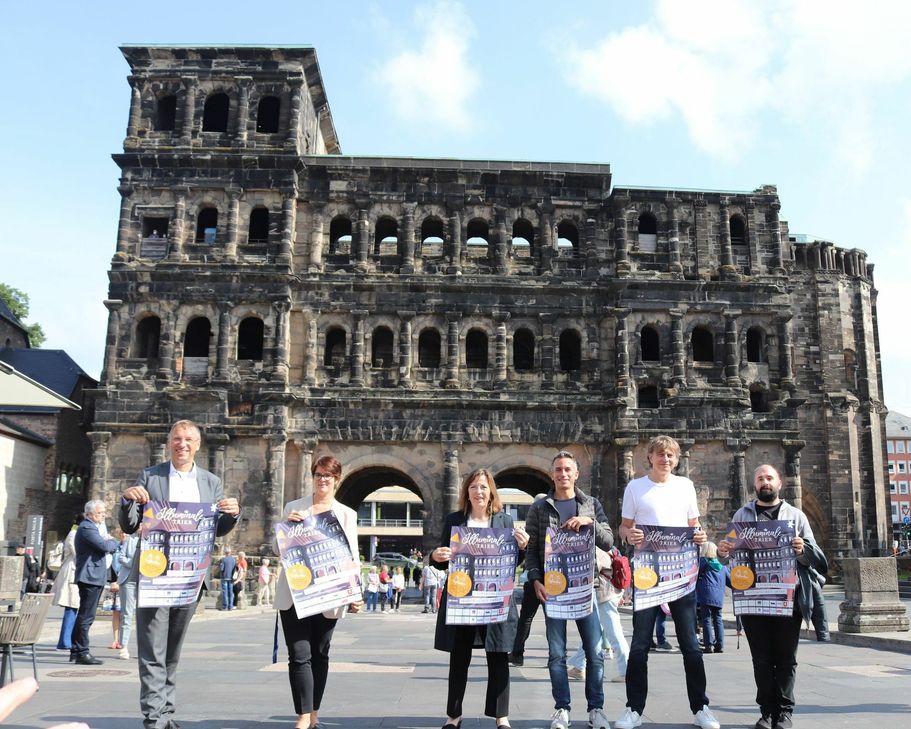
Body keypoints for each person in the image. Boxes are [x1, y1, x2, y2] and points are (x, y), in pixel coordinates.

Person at [120, 418, 240, 729]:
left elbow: (216, 528)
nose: (182, 444)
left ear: (197, 445)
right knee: (151, 649)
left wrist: (233, 514)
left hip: (189, 578)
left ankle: (166, 712)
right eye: (177, 438)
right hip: (154, 576)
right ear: (169, 442)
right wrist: (128, 499)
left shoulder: (211, 482)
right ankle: (153, 717)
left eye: (188, 439)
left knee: (172, 650)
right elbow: (130, 525)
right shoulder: (150, 475)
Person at [614, 435, 719, 729]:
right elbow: (623, 527)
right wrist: (629, 535)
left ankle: (701, 708)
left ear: (677, 459)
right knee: (639, 644)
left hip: (681, 574)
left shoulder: (685, 486)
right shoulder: (635, 487)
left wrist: (700, 534)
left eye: (671, 455)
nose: (666, 459)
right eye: (661, 454)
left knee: (690, 644)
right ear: (650, 457)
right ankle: (634, 708)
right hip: (648, 574)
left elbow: (694, 525)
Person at [718, 464, 827, 729]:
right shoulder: (741, 515)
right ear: (754, 485)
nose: (764, 482)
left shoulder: (796, 516)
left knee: (786, 659)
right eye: (760, 478)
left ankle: (785, 712)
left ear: (779, 484)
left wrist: (802, 549)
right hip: (754, 600)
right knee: (762, 659)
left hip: (788, 599)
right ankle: (767, 711)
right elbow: (730, 550)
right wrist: (723, 550)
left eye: (769, 478)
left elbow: (816, 557)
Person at [431, 468, 528, 729]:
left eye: (483, 487)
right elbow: (441, 559)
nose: (479, 492)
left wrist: (523, 547)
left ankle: (501, 716)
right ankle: (454, 715)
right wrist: (436, 557)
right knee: (459, 658)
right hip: (463, 599)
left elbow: (514, 562)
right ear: (467, 492)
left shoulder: (505, 521)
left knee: (498, 656)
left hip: (494, 599)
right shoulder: (455, 520)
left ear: (491, 492)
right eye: (473, 487)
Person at [524, 450, 614, 729]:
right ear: (552, 474)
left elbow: (609, 541)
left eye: (568, 469)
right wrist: (535, 579)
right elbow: (532, 549)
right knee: (556, 654)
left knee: (595, 652)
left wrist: (591, 522)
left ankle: (596, 709)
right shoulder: (539, 508)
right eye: (558, 469)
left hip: (586, 587)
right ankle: (562, 708)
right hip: (553, 589)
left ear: (577, 474)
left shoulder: (591, 504)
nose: (563, 474)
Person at [274, 454, 362, 729]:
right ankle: (303, 714)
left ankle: (313, 713)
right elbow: (278, 550)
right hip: (295, 593)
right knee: (299, 654)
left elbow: (352, 556)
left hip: (329, 594)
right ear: (312, 477)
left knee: (320, 654)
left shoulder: (347, 514)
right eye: (318, 475)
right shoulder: (294, 507)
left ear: (337, 480)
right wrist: (288, 527)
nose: (322, 480)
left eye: (328, 475)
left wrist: (355, 593)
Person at [566, 547, 629, 683]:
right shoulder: (608, 547)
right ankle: (579, 666)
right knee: (592, 632)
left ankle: (627, 671)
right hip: (609, 593)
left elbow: (590, 571)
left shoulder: (595, 547)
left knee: (614, 634)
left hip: (605, 595)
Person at [72, 500, 120, 665]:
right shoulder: (87, 528)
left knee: (84, 615)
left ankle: (76, 650)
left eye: (103, 512)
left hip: (93, 575)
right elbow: (104, 546)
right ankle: (82, 652)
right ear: (90, 514)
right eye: (100, 513)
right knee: (87, 616)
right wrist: (114, 541)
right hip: (90, 576)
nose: (103, 515)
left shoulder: (94, 527)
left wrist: (109, 541)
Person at [508, 493, 547, 668]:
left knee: (526, 618)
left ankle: (517, 653)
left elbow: (527, 554)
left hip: (533, 577)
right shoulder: (552, 525)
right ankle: (555, 655)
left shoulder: (530, 527)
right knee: (552, 619)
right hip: (550, 578)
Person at [696, 542, 726, 654]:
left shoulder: (703, 562)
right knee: (718, 620)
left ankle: (709, 645)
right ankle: (720, 645)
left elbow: (695, 575)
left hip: (705, 595)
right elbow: (730, 582)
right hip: (718, 597)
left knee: (707, 620)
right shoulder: (721, 566)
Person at [116, 531, 140, 660]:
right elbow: (121, 557)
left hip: (145, 581)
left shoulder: (152, 539)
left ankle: (145, 648)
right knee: (127, 613)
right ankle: (123, 646)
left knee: (145, 616)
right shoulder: (130, 539)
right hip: (128, 580)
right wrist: (133, 563)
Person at [220, 547, 237, 611]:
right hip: (231, 577)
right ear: (230, 552)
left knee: (225, 592)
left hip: (224, 577)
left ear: (225, 552)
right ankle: (231, 606)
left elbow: (222, 569)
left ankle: (225, 606)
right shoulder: (233, 560)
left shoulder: (224, 559)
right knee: (231, 592)